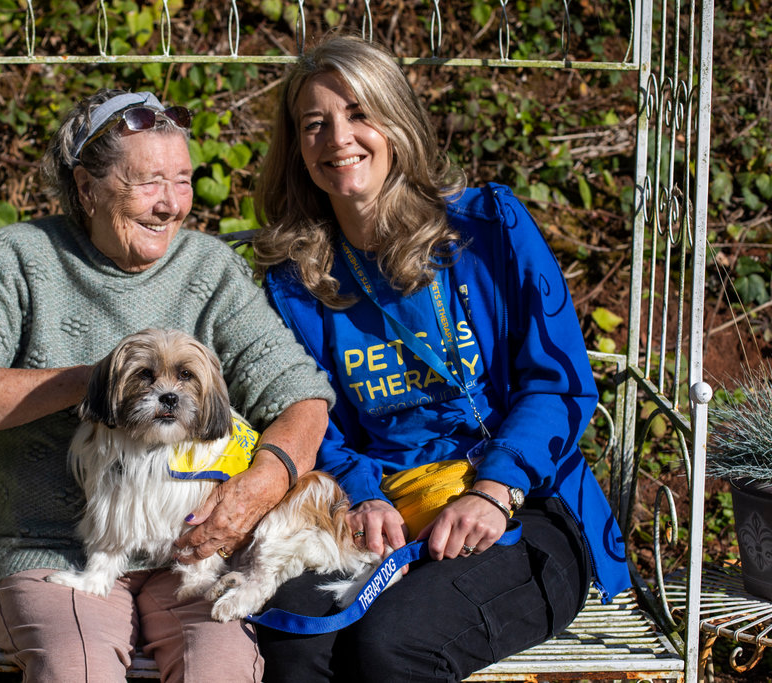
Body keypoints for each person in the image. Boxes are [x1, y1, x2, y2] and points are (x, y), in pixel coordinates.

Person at [0, 88, 335, 682]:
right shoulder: (25, 257)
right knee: (75, 669)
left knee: (223, 668)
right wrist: (95, 382)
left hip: (190, 551)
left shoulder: (210, 269)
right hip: (53, 550)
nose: (170, 205)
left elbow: (302, 396)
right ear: (86, 187)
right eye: (149, 182)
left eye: (183, 181)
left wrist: (258, 488)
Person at [250, 35, 632, 682]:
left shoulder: (490, 230)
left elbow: (559, 384)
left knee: (392, 646)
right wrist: (364, 498)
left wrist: (492, 490)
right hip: (381, 510)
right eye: (314, 124)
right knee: (292, 647)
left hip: (521, 502)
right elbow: (319, 424)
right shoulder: (297, 283)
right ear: (297, 149)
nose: (338, 137)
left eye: (358, 112)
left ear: (396, 120)